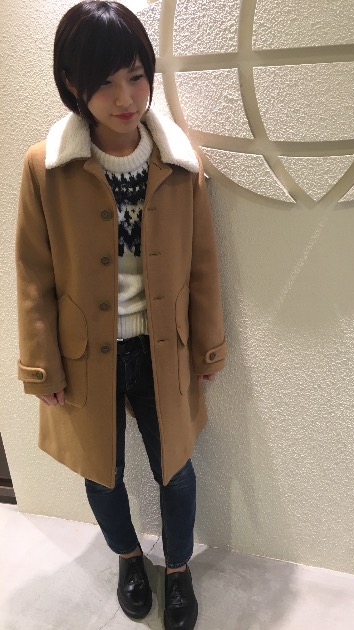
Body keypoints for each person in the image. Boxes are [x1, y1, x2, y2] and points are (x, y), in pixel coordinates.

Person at [15, 2, 226, 628]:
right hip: (85, 354)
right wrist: (41, 366)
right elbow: (33, 275)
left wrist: (208, 347)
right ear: (72, 84)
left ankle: (178, 569)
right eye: (104, 82)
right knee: (102, 474)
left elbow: (203, 268)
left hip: (164, 348)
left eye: (135, 76)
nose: (125, 97)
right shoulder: (46, 169)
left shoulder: (181, 167)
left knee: (176, 469)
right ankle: (129, 558)